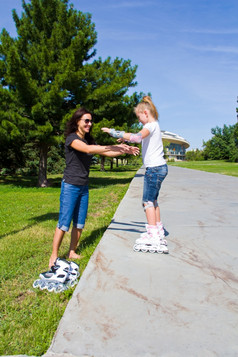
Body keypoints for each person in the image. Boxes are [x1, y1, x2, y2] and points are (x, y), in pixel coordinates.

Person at [49, 107, 139, 268]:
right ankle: (53, 256)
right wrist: (115, 146)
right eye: (86, 120)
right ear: (78, 121)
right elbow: (89, 150)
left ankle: (72, 251)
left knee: (80, 222)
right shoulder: (72, 139)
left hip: (83, 186)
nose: (90, 124)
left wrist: (123, 150)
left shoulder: (89, 139)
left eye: (91, 121)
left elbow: (105, 152)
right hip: (70, 184)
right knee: (64, 222)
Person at [101, 96, 168, 253]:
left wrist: (113, 132)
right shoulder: (154, 126)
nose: (140, 122)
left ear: (145, 112)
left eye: (139, 118)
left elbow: (137, 137)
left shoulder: (150, 125)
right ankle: (158, 230)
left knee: (147, 202)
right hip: (160, 168)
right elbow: (138, 137)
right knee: (154, 200)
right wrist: (124, 138)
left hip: (154, 169)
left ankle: (153, 235)